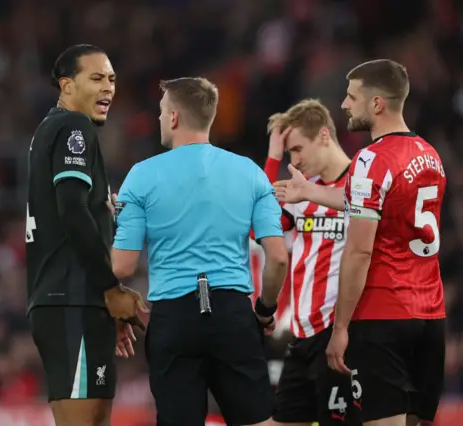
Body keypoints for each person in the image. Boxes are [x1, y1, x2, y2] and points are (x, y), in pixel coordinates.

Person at [274, 59, 446, 426]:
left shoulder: (370, 159)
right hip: (430, 315)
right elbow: (374, 202)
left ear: (376, 104)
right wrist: (308, 192)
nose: (344, 105)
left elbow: (360, 250)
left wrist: (340, 329)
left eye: (352, 97)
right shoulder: (430, 154)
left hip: (384, 315)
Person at [111, 77, 289, 426]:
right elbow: (278, 257)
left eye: (162, 112)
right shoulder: (251, 173)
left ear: (174, 117)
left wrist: (114, 223)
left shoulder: (141, 176)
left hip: (173, 317)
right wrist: (265, 310)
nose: (160, 119)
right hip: (233, 312)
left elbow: (122, 266)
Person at [25, 44, 147, 426]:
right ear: (67, 86)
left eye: (111, 79)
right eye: (96, 78)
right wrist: (110, 288)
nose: (108, 87)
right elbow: (73, 212)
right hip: (69, 299)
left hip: (78, 300)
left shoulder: (53, 130)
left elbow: (80, 210)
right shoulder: (72, 127)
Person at [263, 100, 360, 426]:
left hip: (341, 335)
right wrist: (273, 155)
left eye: (297, 149)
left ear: (323, 135)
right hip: (302, 336)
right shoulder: (300, 193)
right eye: (289, 153)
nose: (295, 161)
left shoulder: (362, 185)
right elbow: (256, 227)